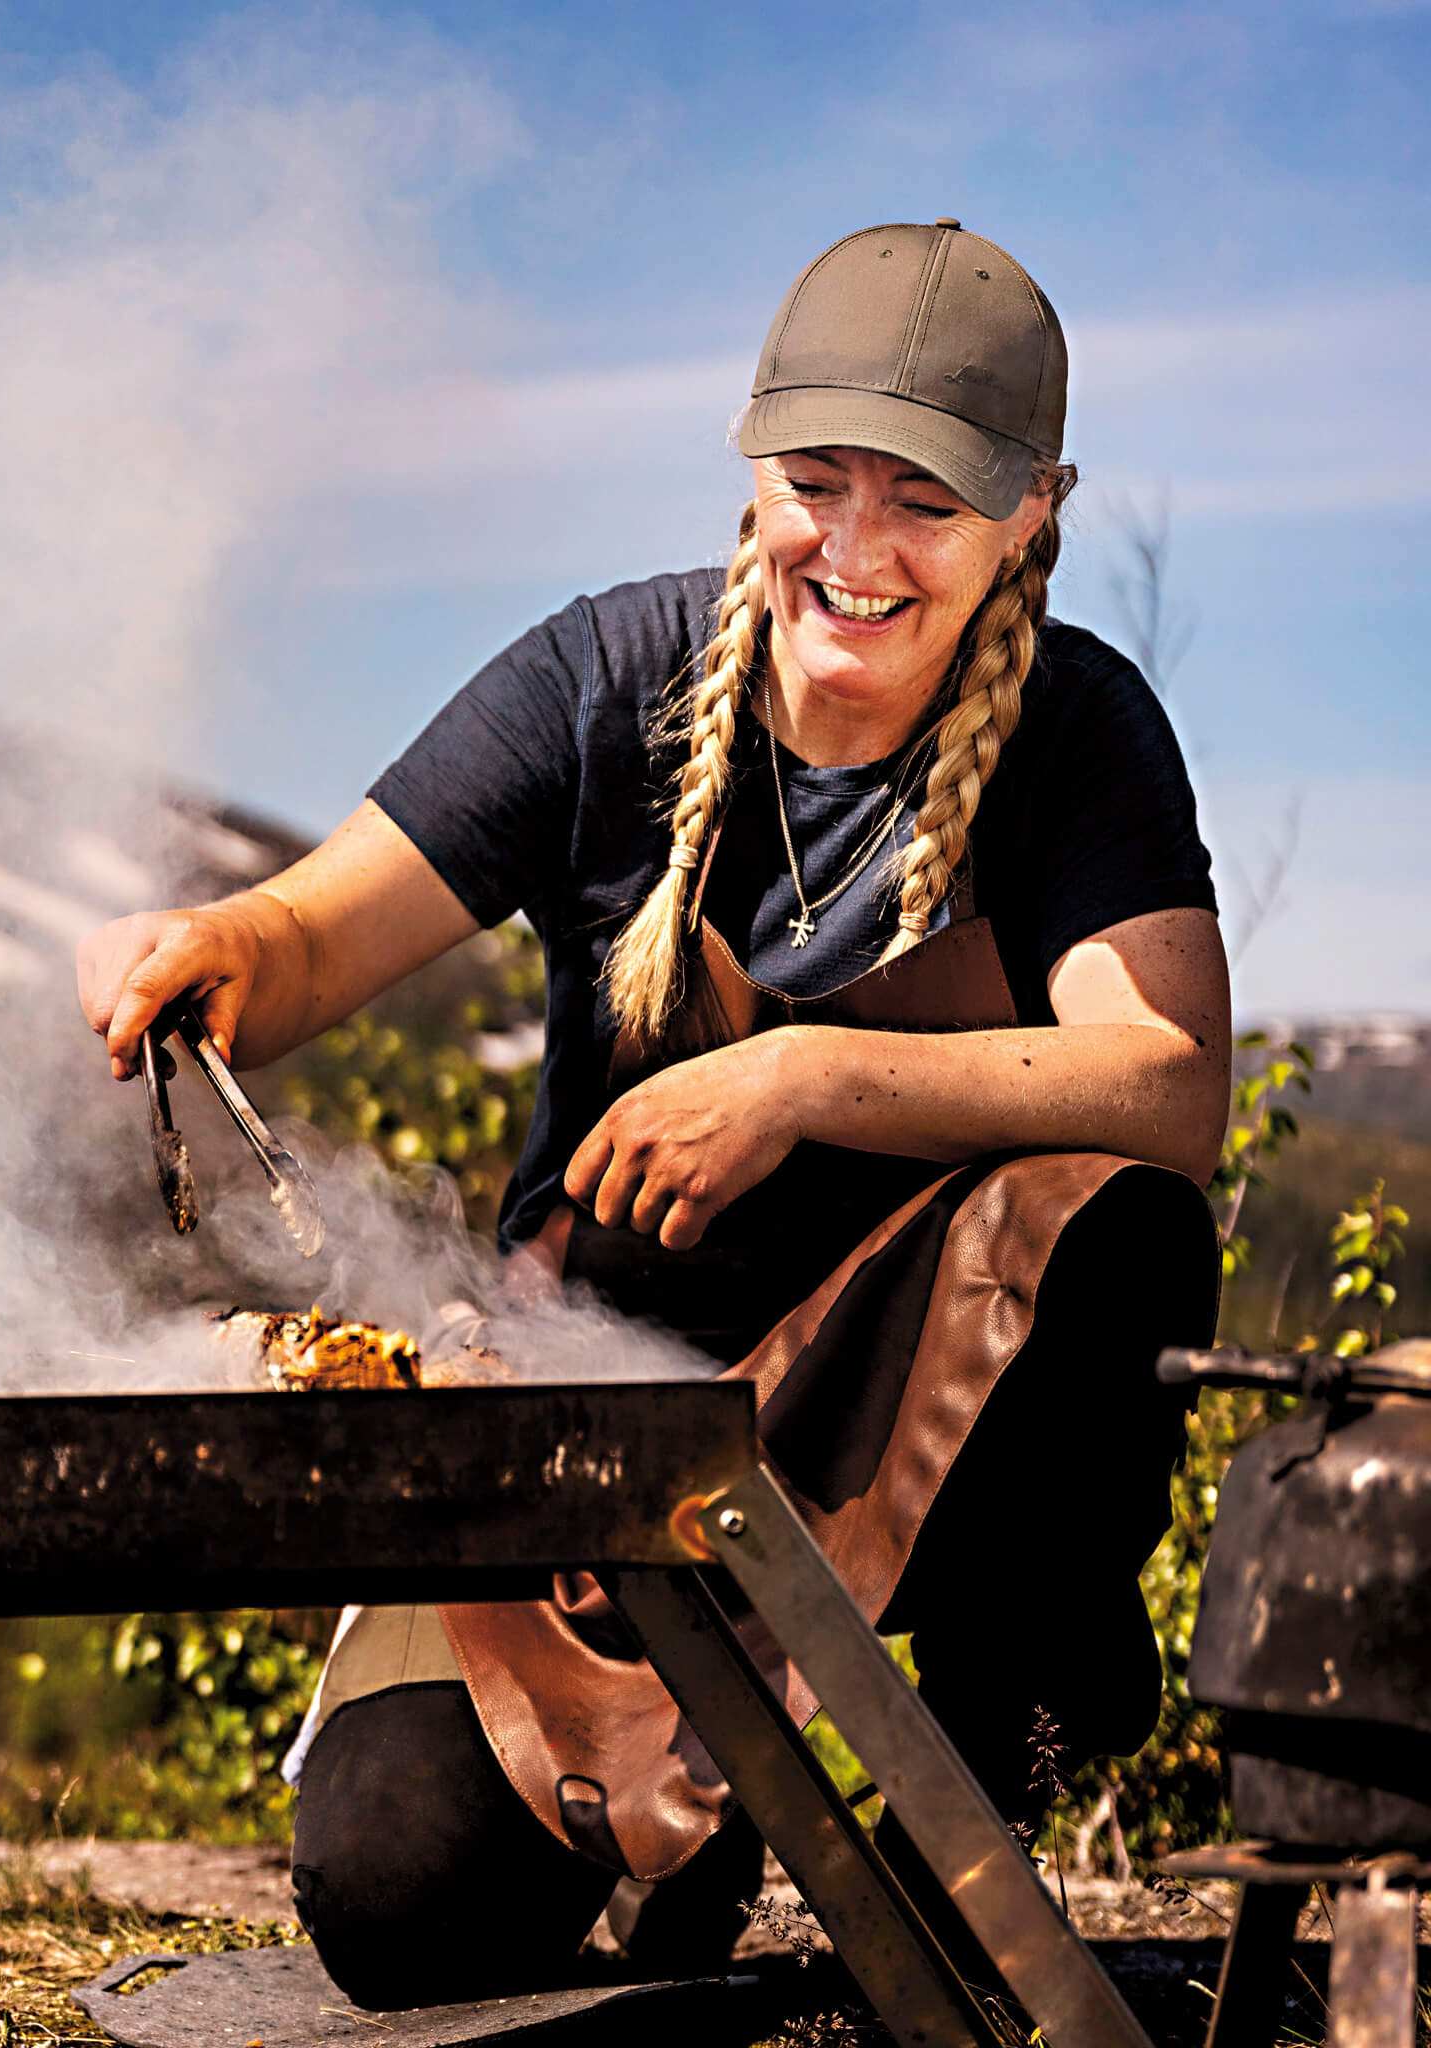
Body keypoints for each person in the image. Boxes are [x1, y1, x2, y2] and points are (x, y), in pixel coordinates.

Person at [77, 220, 1228, 2007]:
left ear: (1031, 515)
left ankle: (988, 1777)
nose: (853, 552)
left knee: (1114, 1214)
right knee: (399, 1905)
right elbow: (313, 935)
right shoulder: (602, 679)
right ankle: (697, 1796)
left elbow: (1167, 1082)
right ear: (752, 471)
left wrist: (799, 1073)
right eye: (815, 484)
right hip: (593, 1425)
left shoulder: (1082, 731)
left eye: (921, 503)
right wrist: (221, 941)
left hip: (910, 1429)